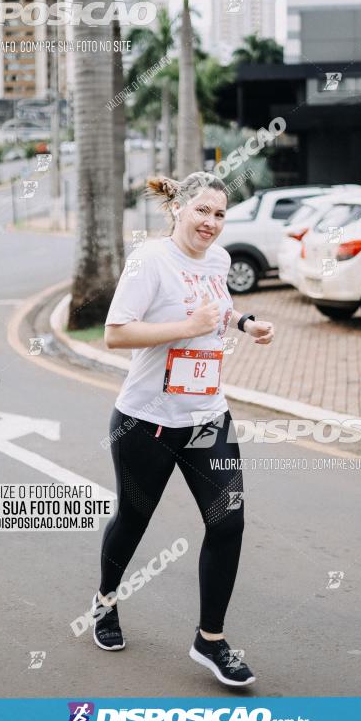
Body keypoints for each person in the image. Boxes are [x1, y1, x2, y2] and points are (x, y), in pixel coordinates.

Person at [93, 171, 274, 687]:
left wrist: (244, 324)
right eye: (203, 212)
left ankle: (210, 640)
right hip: (146, 420)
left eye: (220, 214)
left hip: (207, 416)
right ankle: (105, 601)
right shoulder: (150, 261)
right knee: (133, 519)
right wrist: (187, 328)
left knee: (228, 523)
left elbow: (218, 305)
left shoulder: (218, 259)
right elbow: (115, 334)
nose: (211, 223)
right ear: (179, 210)